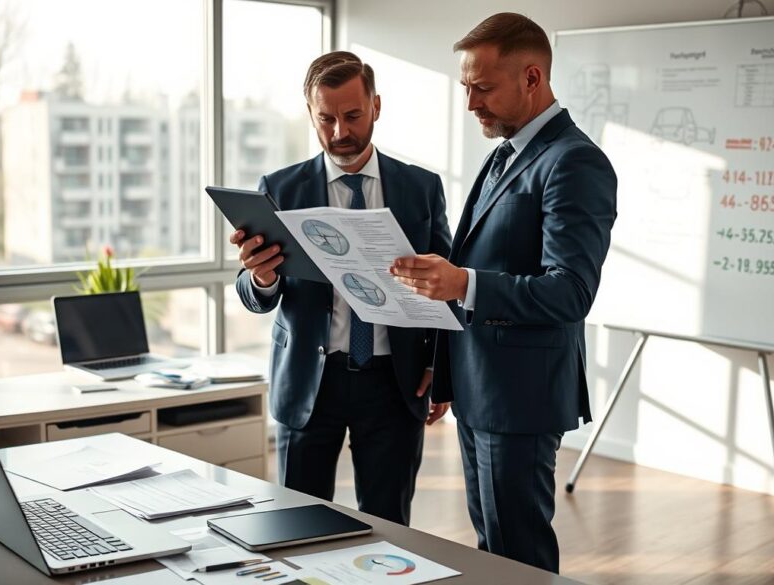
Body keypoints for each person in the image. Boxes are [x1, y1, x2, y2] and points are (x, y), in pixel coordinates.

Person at [390, 13, 617, 572]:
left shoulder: (575, 162)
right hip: (481, 385)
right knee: (493, 543)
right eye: (466, 87)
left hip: (520, 396)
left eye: (483, 88)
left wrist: (462, 282)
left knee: (519, 551)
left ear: (533, 78)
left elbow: (570, 291)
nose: (471, 104)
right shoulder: (505, 153)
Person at [232, 51, 452, 526]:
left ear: (376, 105)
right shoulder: (279, 188)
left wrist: (441, 365)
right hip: (311, 381)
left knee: (390, 526)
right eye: (325, 118)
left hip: (394, 382)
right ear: (311, 114)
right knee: (296, 523)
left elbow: (446, 288)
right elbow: (252, 292)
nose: (339, 133)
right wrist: (261, 277)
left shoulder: (422, 188)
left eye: (352, 115)